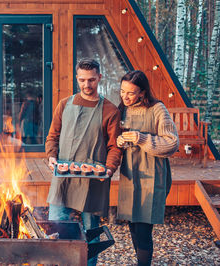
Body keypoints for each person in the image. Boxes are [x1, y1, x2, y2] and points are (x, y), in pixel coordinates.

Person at [45, 58, 122, 266]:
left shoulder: (110, 110)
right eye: (82, 80)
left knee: (91, 232)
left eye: (91, 80)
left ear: (99, 78)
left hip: (93, 179)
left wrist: (109, 168)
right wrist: (52, 156)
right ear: (76, 78)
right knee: (55, 228)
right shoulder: (64, 104)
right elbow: (53, 136)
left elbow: (115, 146)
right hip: (63, 177)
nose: (86, 85)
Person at [116, 70, 179, 266]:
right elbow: (123, 137)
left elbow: (172, 143)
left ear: (142, 92)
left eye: (131, 93)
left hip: (152, 174)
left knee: (143, 228)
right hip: (130, 174)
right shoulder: (123, 109)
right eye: (122, 91)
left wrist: (142, 138)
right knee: (133, 226)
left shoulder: (157, 109)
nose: (125, 96)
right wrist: (121, 141)